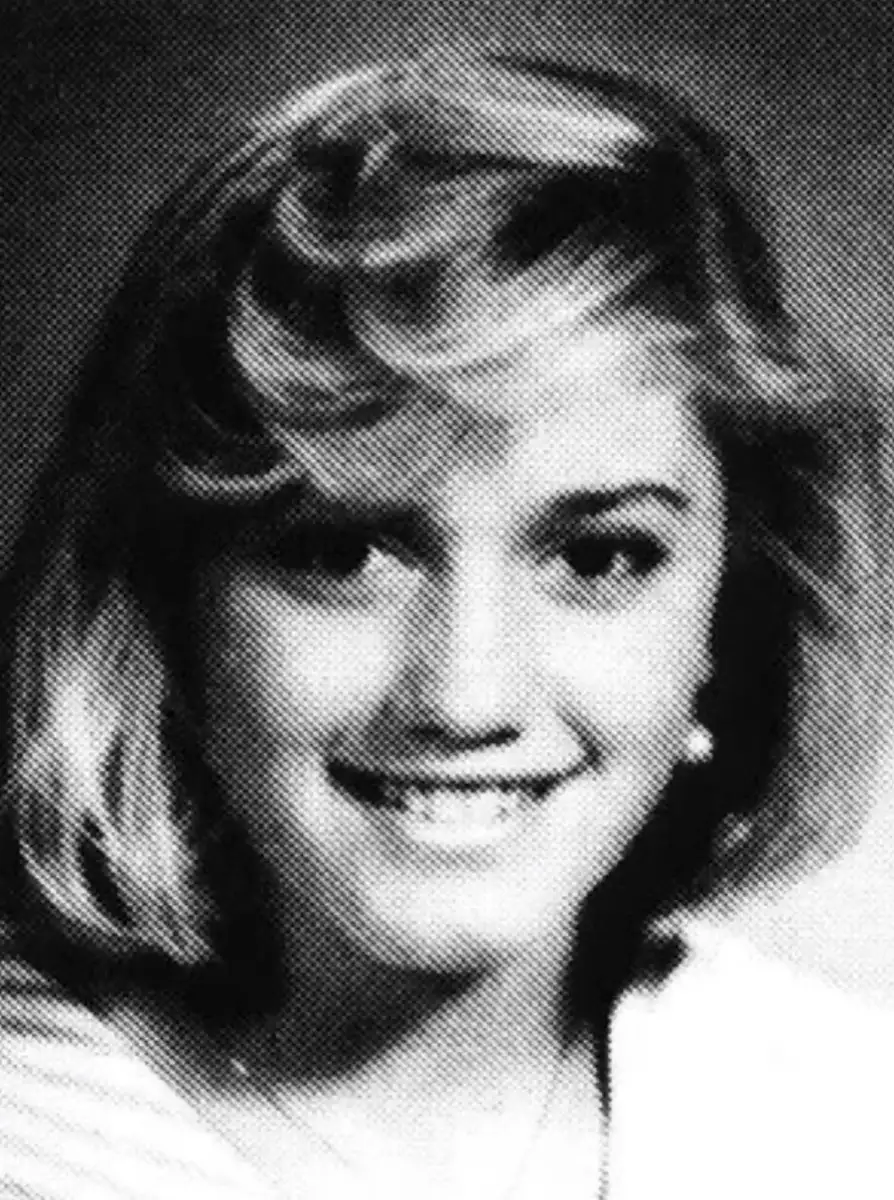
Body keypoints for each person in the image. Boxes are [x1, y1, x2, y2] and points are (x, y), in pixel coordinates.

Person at [0, 49, 892, 1200]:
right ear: (171, 598)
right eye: (342, 551)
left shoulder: (853, 1116)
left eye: (598, 557)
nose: (466, 695)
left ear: (733, 611)